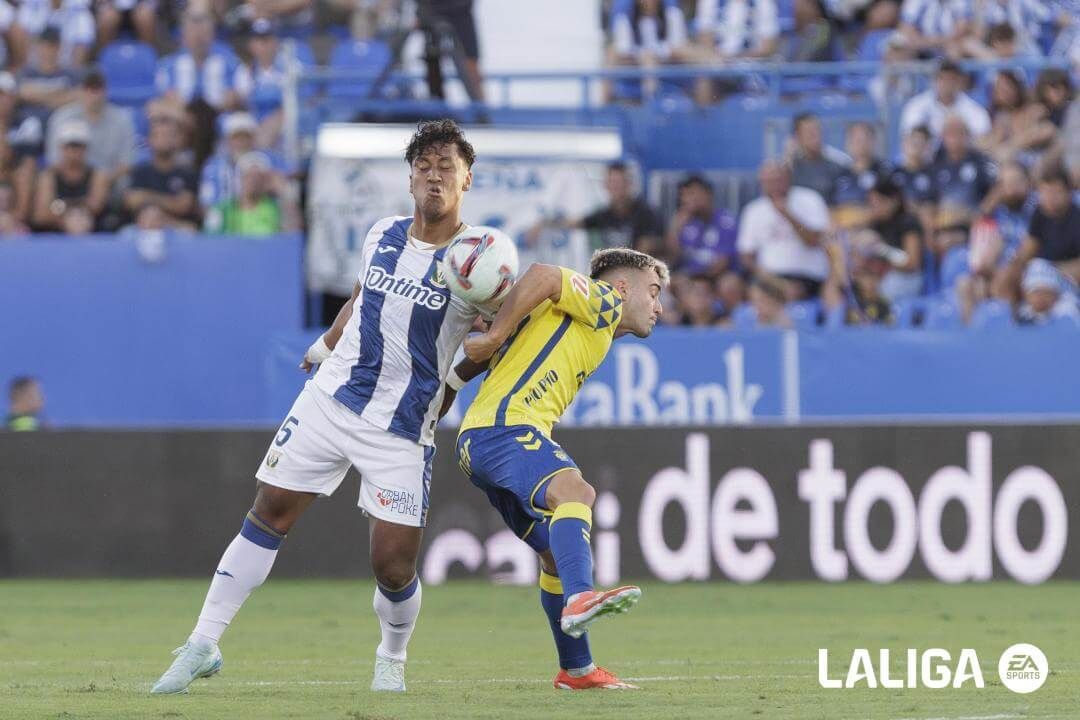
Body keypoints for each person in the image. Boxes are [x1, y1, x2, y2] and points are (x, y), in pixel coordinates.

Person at [151, 119, 486, 695]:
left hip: (402, 425)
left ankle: (391, 658)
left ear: (466, 180)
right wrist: (324, 346)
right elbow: (360, 297)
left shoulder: (477, 260)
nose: (434, 177)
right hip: (331, 398)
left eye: (446, 168)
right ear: (410, 178)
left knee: (393, 565)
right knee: (269, 510)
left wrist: (452, 385)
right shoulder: (382, 234)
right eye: (424, 167)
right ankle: (203, 643)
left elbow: (492, 338)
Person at [455, 247, 667, 690]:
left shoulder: (571, 321)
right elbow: (544, 274)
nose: (659, 307)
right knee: (576, 492)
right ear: (622, 287)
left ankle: (577, 669)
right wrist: (493, 337)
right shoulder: (605, 300)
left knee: (554, 555)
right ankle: (580, 597)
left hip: (478, 441)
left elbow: (501, 347)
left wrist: (449, 387)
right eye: (653, 291)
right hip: (505, 430)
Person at [737, 160, 831, 300]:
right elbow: (746, 256)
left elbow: (813, 241)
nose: (774, 186)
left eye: (778, 180)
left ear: (789, 179)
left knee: (789, 293)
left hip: (807, 276)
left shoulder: (810, 199)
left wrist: (788, 214)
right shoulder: (753, 210)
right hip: (770, 278)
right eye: (769, 181)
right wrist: (769, 278)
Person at [123, 109, 199, 229]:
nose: (164, 140)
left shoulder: (187, 173)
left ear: (178, 140)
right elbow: (131, 201)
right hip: (143, 226)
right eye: (158, 135)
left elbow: (182, 206)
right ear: (150, 140)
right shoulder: (141, 171)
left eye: (169, 135)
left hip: (175, 226)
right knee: (126, 232)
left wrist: (146, 196)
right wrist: (169, 202)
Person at [31, 118, 108, 233]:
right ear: (62, 148)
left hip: (90, 230)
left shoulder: (98, 175)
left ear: (86, 148)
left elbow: (96, 206)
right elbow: (41, 215)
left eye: (78, 146)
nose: (74, 151)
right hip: (56, 232)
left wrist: (61, 207)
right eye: (70, 146)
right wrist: (70, 218)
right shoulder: (48, 176)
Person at [665, 174, 739, 279]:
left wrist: (690, 279)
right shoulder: (685, 222)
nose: (688, 199)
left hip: (713, 278)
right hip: (686, 277)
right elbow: (672, 259)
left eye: (692, 193)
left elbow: (721, 265)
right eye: (684, 195)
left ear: (708, 194)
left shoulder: (726, 222)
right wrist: (675, 229)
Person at [899, 59, 991, 141]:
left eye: (951, 79)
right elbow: (909, 137)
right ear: (934, 80)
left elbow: (983, 138)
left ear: (959, 81)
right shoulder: (917, 105)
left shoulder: (973, 109)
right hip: (928, 154)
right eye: (942, 78)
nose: (946, 84)